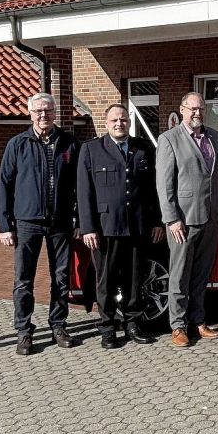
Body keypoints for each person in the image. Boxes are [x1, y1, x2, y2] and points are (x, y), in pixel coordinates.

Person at [0, 92, 80, 355]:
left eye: (48, 110)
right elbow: (4, 184)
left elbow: (80, 185)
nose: (43, 115)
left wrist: (79, 218)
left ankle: (58, 324)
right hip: (27, 222)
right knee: (24, 279)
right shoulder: (18, 144)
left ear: (55, 113)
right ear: (30, 113)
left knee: (61, 277)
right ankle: (23, 330)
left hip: (61, 221)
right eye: (38, 111)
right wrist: (4, 224)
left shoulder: (69, 144)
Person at [77, 104, 165, 349]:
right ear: (106, 123)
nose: (119, 124)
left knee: (135, 279)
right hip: (106, 228)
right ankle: (107, 327)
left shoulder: (143, 148)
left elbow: (152, 189)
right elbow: (84, 192)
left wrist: (157, 221)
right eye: (114, 120)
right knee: (105, 281)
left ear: (129, 122)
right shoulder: (91, 150)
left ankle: (133, 323)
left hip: (137, 226)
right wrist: (88, 228)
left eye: (124, 120)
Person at [156, 92, 218, 347]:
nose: (197, 113)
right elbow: (164, 185)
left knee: (201, 274)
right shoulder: (169, 140)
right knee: (179, 273)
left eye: (201, 108)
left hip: (211, 216)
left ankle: (198, 321)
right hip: (183, 220)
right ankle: (178, 326)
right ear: (182, 109)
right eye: (192, 108)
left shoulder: (214, 137)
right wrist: (172, 219)